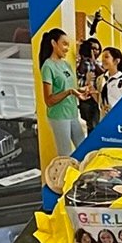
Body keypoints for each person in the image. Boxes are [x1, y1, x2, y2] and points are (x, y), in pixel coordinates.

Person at [37, 28, 85, 157]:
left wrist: (81, 91)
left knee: (84, 149)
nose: (67, 48)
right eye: (64, 44)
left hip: (72, 113)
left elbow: (70, 88)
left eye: (68, 45)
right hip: (59, 116)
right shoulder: (48, 66)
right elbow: (49, 100)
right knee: (66, 154)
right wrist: (69, 92)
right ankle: (65, 177)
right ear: (54, 43)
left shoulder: (66, 65)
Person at [74, 37, 102, 133]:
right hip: (86, 97)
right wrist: (83, 56)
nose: (94, 51)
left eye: (96, 49)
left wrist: (94, 60)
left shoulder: (99, 63)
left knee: (96, 125)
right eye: (91, 48)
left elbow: (102, 73)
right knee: (90, 125)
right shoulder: (81, 62)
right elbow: (80, 72)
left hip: (96, 96)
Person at [99, 45, 122, 112]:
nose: (103, 60)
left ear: (116, 61)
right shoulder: (102, 79)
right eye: (102, 57)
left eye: (106, 57)